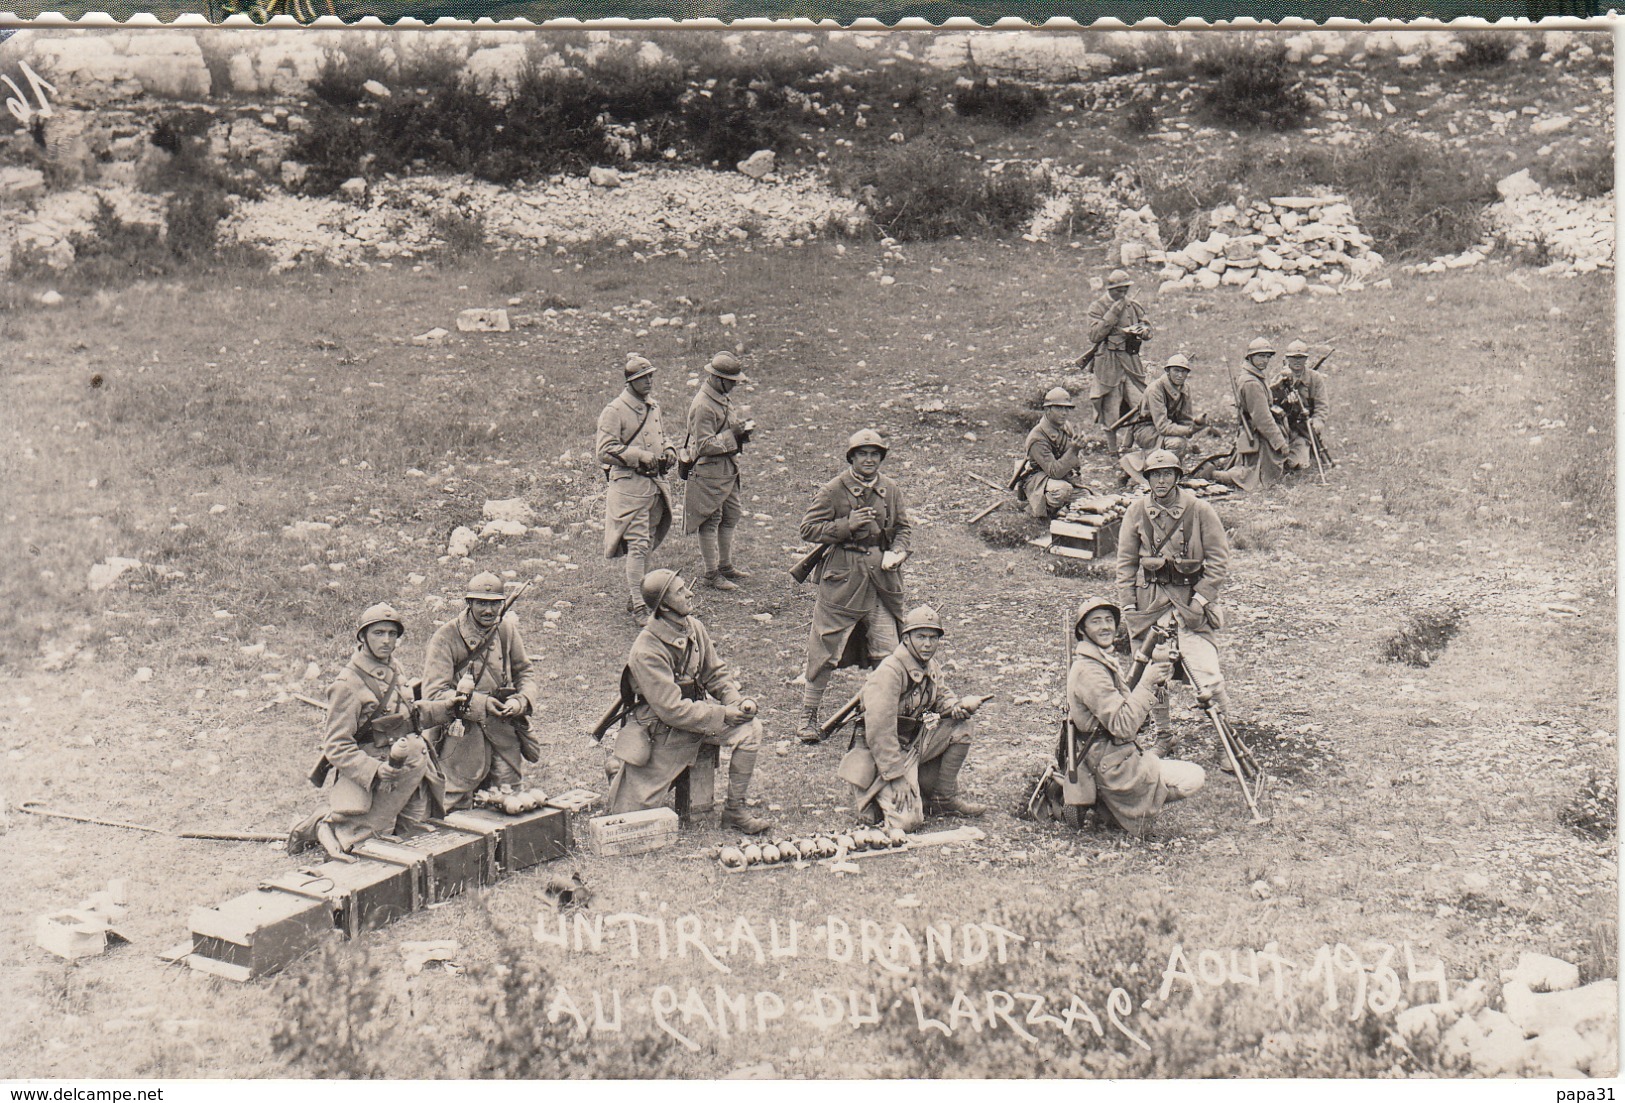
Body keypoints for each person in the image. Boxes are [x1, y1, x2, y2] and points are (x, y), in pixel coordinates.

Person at [288, 603, 465, 862]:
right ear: (363, 637)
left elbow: (408, 716)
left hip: (416, 768)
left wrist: (444, 709)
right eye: (378, 633)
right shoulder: (348, 683)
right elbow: (336, 745)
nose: (386, 641)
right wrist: (374, 770)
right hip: (381, 777)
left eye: (392, 634)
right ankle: (317, 825)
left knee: (416, 838)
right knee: (364, 846)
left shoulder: (395, 668)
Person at [604, 569, 773, 834]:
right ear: (665, 605)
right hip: (663, 732)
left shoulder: (694, 627)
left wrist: (736, 702)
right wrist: (723, 715)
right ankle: (618, 772)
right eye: (680, 591)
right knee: (626, 818)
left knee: (751, 730)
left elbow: (715, 673)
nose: (690, 593)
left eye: (686, 588)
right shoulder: (647, 649)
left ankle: (735, 811)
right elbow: (671, 710)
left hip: (700, 719)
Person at [796, 429, 912, 743]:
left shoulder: (891, 489)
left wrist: (897, 551)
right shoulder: (834, 490)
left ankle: (877, 715)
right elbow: (808, 528)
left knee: (886, 651)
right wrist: (847, 525)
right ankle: (808, 716)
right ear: (852, 458)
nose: (869, 460)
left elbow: (903, 527)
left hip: (881, 580)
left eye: (875, 454)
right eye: (863, 454)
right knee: (825, 647)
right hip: (843, 579)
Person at [1116, 450, 1234, 747]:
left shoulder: (1199, 510)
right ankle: (1163, 735)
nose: (1161, 480)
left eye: (1168, 473)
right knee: (1152, 675)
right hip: (1150, 605)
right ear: (1147, 478)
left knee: (1207, 672)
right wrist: (1129, 603)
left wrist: (1200, 601)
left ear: (1178, 477)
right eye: (1155, 474)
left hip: (1189, 603)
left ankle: (1227, 740)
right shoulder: (1136, 511)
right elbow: (1126, 563)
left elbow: (1219, 560)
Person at [1068, 595, 1205, 837]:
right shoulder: (1089, 671)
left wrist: (1151, 683)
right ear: (1083, 630)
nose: (1105, 627)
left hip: (1114, 755)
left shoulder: (1099, 661)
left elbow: (1128, 718)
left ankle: (1114, 808)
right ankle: (1113, 810)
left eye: (1109, 620)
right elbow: (1123, 726)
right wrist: (1147, 681)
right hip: (1111, 765)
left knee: (1168, 768)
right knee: (1193, 777)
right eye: (1096, 621)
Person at [844, 606, 988, 830]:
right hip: (881, 753)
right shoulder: (890, 672)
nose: (927, 644)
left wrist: (955, 706)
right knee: (907, 822)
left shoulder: (930, 666)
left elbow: (942, 696)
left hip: (912, 744)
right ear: (906, 638)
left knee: (962, 726)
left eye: (933, 638)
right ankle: (872, 798)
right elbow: (879, 732)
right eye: (921, 637)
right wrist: (896, 776)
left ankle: (943, 799)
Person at [421, 572, 541, 809]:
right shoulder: (446, 637)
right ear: (469, 603)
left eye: (494, 603)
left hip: (504, 732)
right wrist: (480, 704)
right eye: (482, 603)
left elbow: (525, 672)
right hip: (461, 737)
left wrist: (521, 701)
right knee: (455, 805)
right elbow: (434, 694)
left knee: (512, 801)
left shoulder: (506, 630)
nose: (489, 610)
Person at [596, 354, 677, 618]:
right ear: (630, 381)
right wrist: (638, 455)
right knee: (639, 546)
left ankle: (641, 595)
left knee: (648, 543)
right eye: (643, 378)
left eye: (651, 376)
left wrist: (670, 450)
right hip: (629, 489)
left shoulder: (653, 406)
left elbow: (660, 437)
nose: (649, 381)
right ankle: (640, 605)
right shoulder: (614, 410)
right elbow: (604, 451)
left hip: (654, 485)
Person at [682, 352, 754, 591]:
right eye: (730, 380)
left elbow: (725, 431)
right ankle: (711, 573)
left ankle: (725, 566)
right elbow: (703, 445)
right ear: (716, 378)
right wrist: (732, 435)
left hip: (727, 469)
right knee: (710, 520)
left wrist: (740, 431)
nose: (734, 385)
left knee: (731, 514)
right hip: (710, 471)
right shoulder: (703, 404)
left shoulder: (721, 397)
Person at [1083, 268, 1152, 464]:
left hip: (1130, 361)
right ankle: (1113, 452)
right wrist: (1113, 312)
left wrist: (1143, 331)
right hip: (1108, 363)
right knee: (1110, 409)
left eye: (1125, 290)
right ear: (1110, 289)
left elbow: (1148, 327)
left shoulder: (1133, 306)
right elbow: (1094, 335)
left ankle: (1129, 446)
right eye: (1118, 291)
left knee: (1142, 404)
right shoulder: (1097, 307)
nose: (1122, 294)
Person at [1214, 337, 1289, 491]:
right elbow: (1263, 419)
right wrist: (1280, 442)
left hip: (1256, 431)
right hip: (1258, 434)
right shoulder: (1251, 383)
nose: (1265, 360)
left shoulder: (1254, 377)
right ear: (1250, 357)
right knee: (1264, 476)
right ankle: (1232, 477)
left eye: (1267, 356)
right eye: (1261, 356)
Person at [1119, 353, 1201, 489]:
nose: (1180, 375)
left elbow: (1185, 418)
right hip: (1145, 429)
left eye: (1184, 371)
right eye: (1176, 371)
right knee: (1176, 443)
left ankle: (1169, 475)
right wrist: (1187, 431)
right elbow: (1162, 426)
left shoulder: (1185, 388)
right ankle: (1148, 471)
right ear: (1167, 371)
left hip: (1164, 427)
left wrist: (1193, 428)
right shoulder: (1155, 389)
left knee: (1184, 444)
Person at [1015, 387, 1092, 518]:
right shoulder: (1037, 437)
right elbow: (1054, 472)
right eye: (1059, 408)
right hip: (1038, 478)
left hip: (1061, 477)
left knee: (1085, 496)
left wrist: (1080, 447)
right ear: (1048, 409)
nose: (1064, 413)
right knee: (1062, 491)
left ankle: (1060, 507)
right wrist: (1074, 450)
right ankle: (1032, 508)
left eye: (1067, 408)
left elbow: (1071, 459)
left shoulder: (1065, 426)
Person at [1274, 340, 1330, 473]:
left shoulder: (1315, 378)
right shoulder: (1278, 379)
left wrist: (1317, 422)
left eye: (1301, 358)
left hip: (1304, 427)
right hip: (1284, 426)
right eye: (1293, 357)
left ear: (1306, 359)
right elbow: (1271, 404)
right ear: (1287, 358)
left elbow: (1322, 405)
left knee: (1298, 465)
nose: (1297, 361)